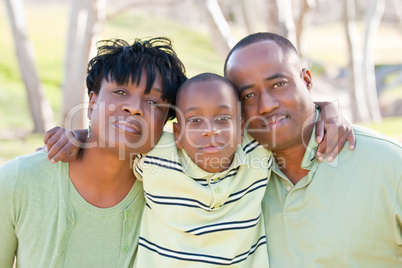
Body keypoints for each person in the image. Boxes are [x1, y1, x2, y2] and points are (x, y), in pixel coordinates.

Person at [0, 37, 187, 267]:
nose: (135, 107)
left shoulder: (170, 194)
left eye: (152, 102)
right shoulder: (17, 180)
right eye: (120, 91)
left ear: (165, 124)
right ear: (91, 103)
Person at [224, 32, 402, 267]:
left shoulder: (388, 163)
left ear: (307, 81)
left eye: (278, 84)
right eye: (248, 95)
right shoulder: (232, 176)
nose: (266, 105)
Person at [133, 73, 271, 267]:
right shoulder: (156, 155)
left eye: (223, 118)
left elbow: (298, 126)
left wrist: (325, 109)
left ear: (241, 130)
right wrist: (81, 136)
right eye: (195, 120)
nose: (210, 130)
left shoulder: (258, 153)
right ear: (178, 134)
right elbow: (108, 148)